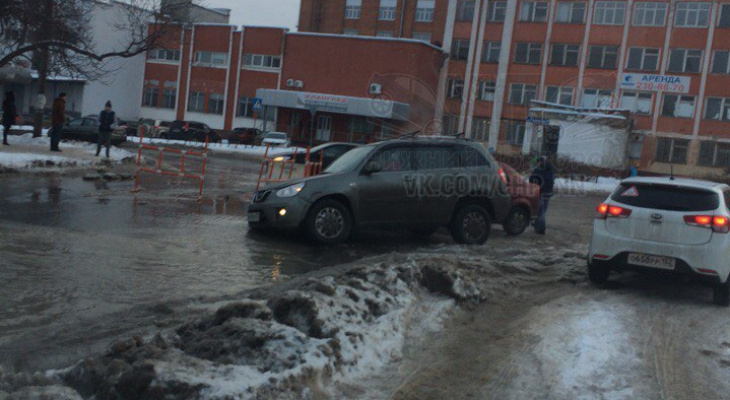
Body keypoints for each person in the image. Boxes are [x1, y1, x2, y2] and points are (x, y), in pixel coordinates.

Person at [529, 156, 555, 235]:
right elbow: (552, 180)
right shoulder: (550, 169)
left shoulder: (538, 170)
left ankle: (541, 229)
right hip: (548, 192)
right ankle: (537, 224)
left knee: (540, 211)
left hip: (540, 192)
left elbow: (532, 180)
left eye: (538, 162)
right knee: (543, 209)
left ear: (540, 162)